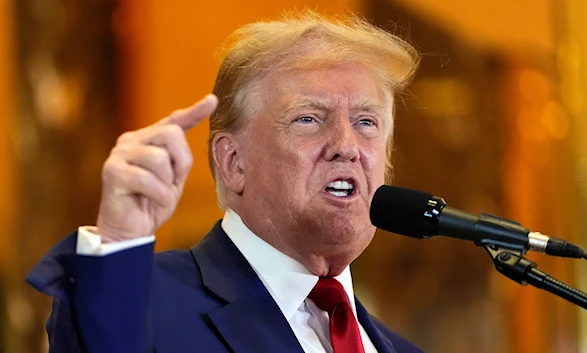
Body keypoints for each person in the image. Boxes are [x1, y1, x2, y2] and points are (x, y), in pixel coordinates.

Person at [27, 10, 422, 353]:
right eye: (309, 118)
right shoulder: (144, 302)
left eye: (366, 123)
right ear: (233, 162)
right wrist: (119, 244)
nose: (346, 146)